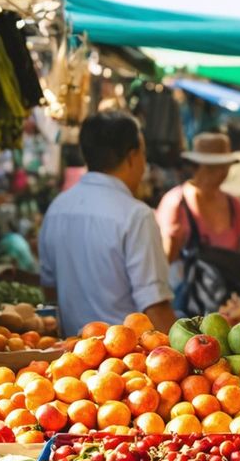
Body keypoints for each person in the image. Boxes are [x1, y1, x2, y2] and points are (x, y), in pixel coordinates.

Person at [39, 111, 177, 336]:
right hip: (126, 355)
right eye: (143, 154)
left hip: (72, 352)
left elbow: (49, 288)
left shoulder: (57, 208)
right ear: (132, 157)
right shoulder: (136, 216)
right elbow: (155, 307)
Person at [156, 133, 240, 263]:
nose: (220, 174)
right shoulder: (176, 203)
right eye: (213, 169)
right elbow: (165, 259)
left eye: (224, 168)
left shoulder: (235, 205)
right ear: (195, 167)